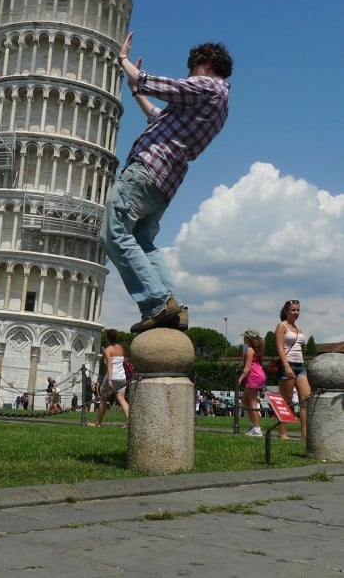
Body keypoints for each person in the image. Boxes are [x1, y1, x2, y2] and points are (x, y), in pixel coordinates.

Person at [103, 32, 233, 334]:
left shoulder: (209, 86)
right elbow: (158, 117)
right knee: (144, 243)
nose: (189, 74)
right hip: (164, 183)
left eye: (192, 68)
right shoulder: (219, 104)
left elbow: (169, 87)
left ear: (208, 63)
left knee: (113, 231)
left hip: (147, 170)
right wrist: (137, 91)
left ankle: (156, 303)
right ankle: (175, 308)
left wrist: (124, 61)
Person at [275, 300, 311, 440]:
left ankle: (305, 434)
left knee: (306, 399)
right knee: (286, 400)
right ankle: (282, 432)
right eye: (293, 310)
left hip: (300, 365)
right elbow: (279, 347)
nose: (296, 313)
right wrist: (286, 366)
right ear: (286, 311)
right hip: (288, 364)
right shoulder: (281, 326)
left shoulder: (298, 329)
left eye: (298, 310)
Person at [88, 329, 129, 427]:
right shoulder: (121, 348)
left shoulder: (107, 350)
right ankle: (129, 420)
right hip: (122, 376)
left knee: (103, 399)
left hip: (112, 376)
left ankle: (98, 422)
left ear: (107, 338)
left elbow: (110, 365)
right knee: (122, 399)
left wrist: (110, 379)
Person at [238, 330, 266, 437]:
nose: (243, 339)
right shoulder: (257, 349)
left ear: (248, 338)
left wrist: (239, 379)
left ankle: (257, 429)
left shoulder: (249, 350)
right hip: (259, 375)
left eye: (244, 337)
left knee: (252, 402)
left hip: (253, 376)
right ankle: (252, 424)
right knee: (245, 399)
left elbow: (247, 368)